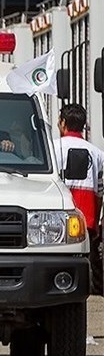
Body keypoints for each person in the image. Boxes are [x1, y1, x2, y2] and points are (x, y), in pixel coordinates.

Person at [55, 103, 104, 295]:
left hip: (60, 215)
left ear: (63, 122)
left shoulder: (52, 149)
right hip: (88, 213)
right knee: (89, 257)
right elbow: (100, 191)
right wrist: (97, 219)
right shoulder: (97, 153)